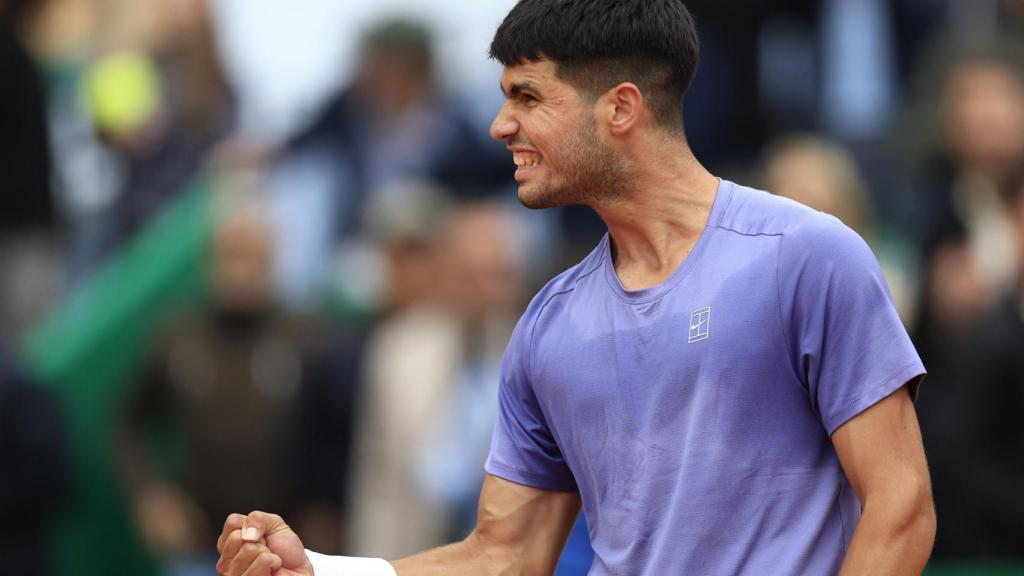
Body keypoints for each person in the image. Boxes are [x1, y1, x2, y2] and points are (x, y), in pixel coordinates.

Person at [215, 1, 935, 574]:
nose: (501, 126)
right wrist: (322, 572)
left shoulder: (808, 257)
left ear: (620, 108)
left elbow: (900, 508)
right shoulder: (547, 327)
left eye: (527, 97)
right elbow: (505, 555)